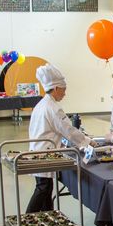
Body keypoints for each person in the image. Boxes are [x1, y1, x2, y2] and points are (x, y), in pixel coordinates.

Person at [28, 64, 95, 213]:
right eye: (63, 90)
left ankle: (48, 218)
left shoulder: (41, 105)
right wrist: (88, 141)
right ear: (56, 88)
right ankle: (26, 219)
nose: (64, 94)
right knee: (43, 189)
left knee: (45, 188)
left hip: (36, 152)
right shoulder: (53, 108)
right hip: (44, 154)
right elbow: (68, 130)